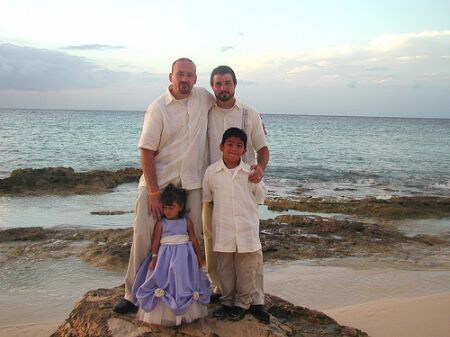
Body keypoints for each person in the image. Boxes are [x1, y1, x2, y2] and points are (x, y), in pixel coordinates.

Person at [114, 58, 214, 314]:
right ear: (170, 76)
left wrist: (251, 122)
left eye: (190, 75)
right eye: (180, 74)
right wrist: (153, 193)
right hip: (159, 183)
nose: (185, 79)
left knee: (193, 239)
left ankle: (189, 290)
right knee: (144, 236)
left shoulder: (203, 97)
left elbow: (227, 106)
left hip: (191, 183)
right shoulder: (158, 108)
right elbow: (146, 152)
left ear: (195, 78)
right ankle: (131, 294)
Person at [203, 65, 270, 322]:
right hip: (214, 182)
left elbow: (263, 149)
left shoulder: (250, 114)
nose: (223, 88)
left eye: (227, 83)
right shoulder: (205, 112)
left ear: (235, 85)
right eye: (218, 84)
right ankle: (222, 291)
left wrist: (260, 170)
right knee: (213, 241)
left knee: (251, 246)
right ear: (212, 87)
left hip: (244, 184)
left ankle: (256, 299)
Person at [131, 184, 210, 326]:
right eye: (165, 208)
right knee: (167, 279)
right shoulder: (161, 223)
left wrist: (199, 257)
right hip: (166, 257)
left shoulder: (187, 222)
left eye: (171, 208)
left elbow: (193, 239)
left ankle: (185, 311)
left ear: (180, 207)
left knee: (183, 280)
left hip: (185, 257)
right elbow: (156, 241)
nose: (167, 211)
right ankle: (167, 313)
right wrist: (154, 257)